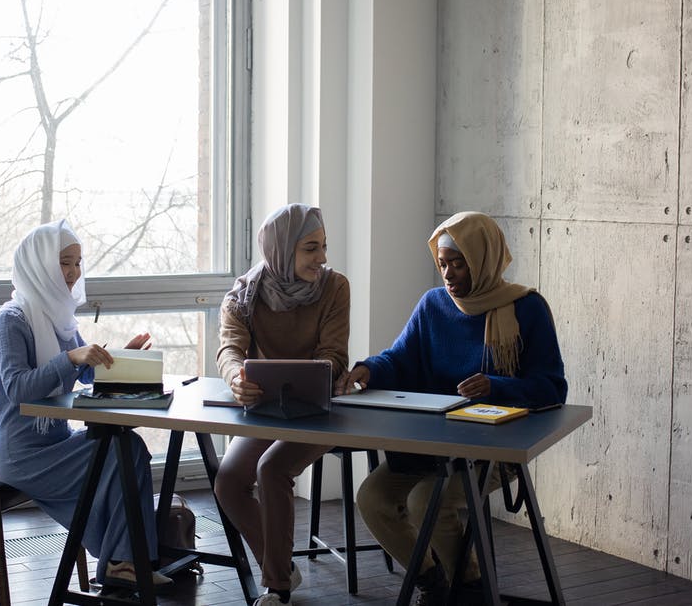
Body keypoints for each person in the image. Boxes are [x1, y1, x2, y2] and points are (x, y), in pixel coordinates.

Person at [339, 211, 567, 605]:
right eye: (442, 263)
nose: (448, 273)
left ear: (483, 258)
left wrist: (497, 386)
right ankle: (434, 583)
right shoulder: (433, 305)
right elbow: (399, 358)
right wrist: (367, 369)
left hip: (493, 451)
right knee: (372, 498)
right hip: (432, 447)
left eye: (458, 263)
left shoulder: (527, 309)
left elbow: (552, 388)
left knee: (425, 500)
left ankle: (471, 587)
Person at [0, 219, 170, 590]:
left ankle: (124, 561)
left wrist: (118, 357)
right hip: (24, 457)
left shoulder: (60, 318)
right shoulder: (11, 320)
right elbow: (18, 389)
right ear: (39, 265)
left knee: (127, 449)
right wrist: (71, 358)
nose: (73, 273)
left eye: (77, 263)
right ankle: (123, 560)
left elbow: (85, 376)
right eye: (64, 263)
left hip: (56, 441)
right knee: (123, 450)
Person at [213, 203, 350, 606]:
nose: (322, 258)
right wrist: (237, 377)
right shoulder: (244, 293)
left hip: (321, 411)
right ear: (281, 248)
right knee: (228, 482)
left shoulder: (334, 287)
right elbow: (229, 349)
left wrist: (321, 372)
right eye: (311, 248)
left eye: (324, 246)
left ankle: (277, 588)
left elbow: (334, 356)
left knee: (272, 469)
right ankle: (284, 565)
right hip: (266, 409)